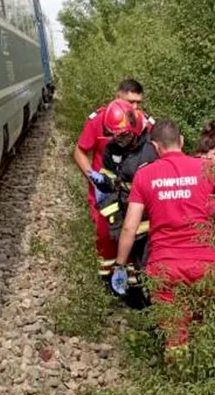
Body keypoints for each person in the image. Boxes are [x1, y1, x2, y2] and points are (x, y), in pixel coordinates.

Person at [115, 119, 215, 356]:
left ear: (155, 146)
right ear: (182, 141)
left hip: (164, 267)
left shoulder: (144, 176)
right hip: (204, 263)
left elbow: (129, 228)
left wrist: (120, 265)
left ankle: (179, 381)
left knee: (175, 338)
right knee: (206, 329)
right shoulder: (208, 169)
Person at [73, 80, 154, 276]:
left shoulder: (144, 123)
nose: (135, 107)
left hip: (132, 194)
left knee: (136, 236)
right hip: (105, 193)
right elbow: (80, 151)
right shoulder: (98, 120)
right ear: (117, 97)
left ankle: (134, 284)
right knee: (106, 239)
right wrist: (92, 176)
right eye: (130, 101)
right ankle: (109, 284)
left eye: (138, 103)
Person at [89, 99, 158, 300]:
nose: (120, 141)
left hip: (152, 222)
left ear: (135, 127)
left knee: (151, 270)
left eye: (124, 136)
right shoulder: (112, 151)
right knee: (135, 269)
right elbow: (110, 185)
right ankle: (139, 302)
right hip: (128, 220)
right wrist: (114, 220)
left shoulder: (151, 149)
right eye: (115, 137)